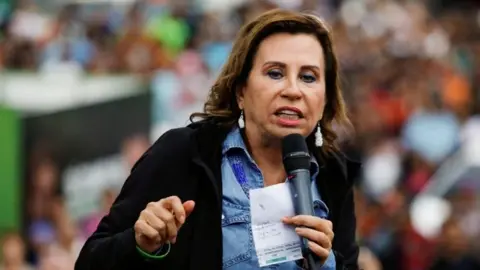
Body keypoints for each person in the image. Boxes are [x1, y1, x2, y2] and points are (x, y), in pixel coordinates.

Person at [75, 9, 360, 270]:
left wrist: (328, 263)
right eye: (275, 73)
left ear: (324, 99)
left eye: (309, 77)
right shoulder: (184, 153)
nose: (293, 90)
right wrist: (140, 244)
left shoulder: (333, 174)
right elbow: (91, 261)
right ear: (240, 91)